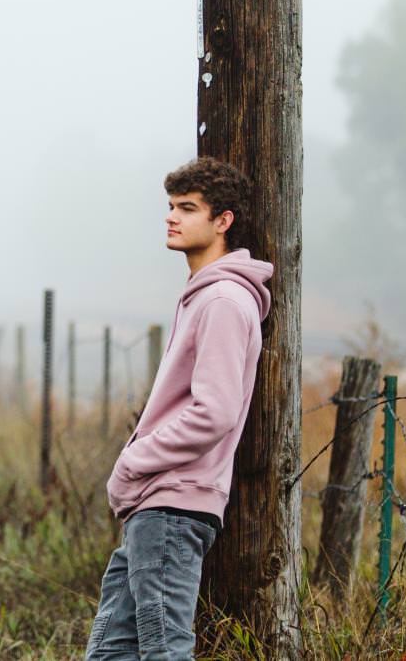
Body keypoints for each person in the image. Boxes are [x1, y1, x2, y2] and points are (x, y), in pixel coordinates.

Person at [84, 156, 274, 661]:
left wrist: (134, 459)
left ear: (222, 221)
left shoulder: (223, 303)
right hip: (155, 506)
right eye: (171, 206)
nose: (172, 217)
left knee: (164, 650)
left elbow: (215, 412)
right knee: (110, 652)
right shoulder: (202, 297)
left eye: (187, 208)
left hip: (173, 505)